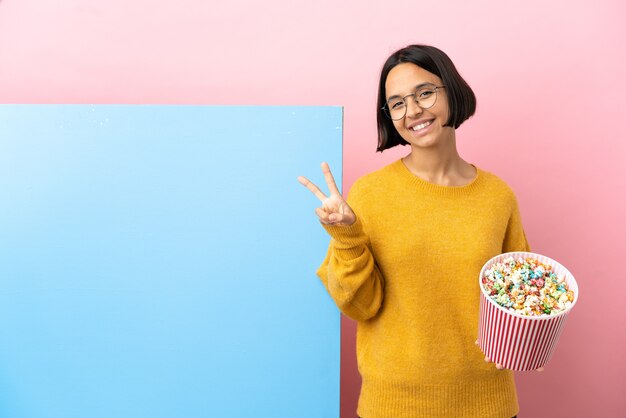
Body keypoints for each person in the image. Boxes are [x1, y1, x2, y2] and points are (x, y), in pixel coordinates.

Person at [298, 44, 538, 418]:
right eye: (396, 103)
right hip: (393, 405)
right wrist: (346, 236)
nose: (412, 111)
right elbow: (359, 305)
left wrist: (534, 338)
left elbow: (518, 299)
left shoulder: (497, 196)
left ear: (452, 91)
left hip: (489, 403)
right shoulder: (371, 193)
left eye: (424, 93)